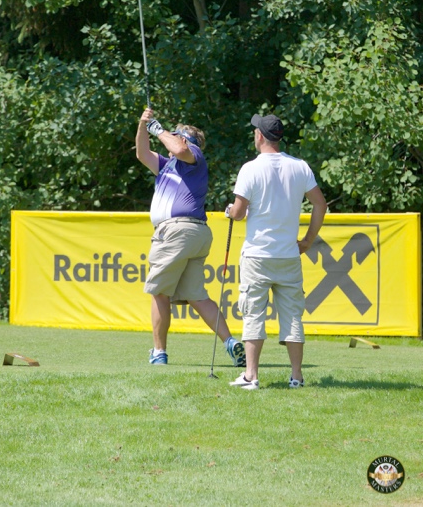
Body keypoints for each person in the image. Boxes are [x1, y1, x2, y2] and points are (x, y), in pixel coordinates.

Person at [136, 108, 245, 367]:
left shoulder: (192, 153)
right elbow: (142, 153)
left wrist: (159, 130)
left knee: (159, 292)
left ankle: (159, 352)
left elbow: (180, 149)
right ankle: (230, 342)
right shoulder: (167, 165)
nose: (169, 140)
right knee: (197, 296)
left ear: (184, 139)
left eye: (175, 136)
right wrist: (143, 125)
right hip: (193, 234)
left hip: (176, 232)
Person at [226, 114, 327, 391]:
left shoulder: (250, 168)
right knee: (293, 316)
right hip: (288, 255)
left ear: (260, 136)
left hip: (257, 255)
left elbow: (239, 212)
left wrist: (230, 212)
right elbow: (320, 204)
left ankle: (251, 376)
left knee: (253, 314)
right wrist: (307, 241)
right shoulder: (300, 166)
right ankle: (297, 377)